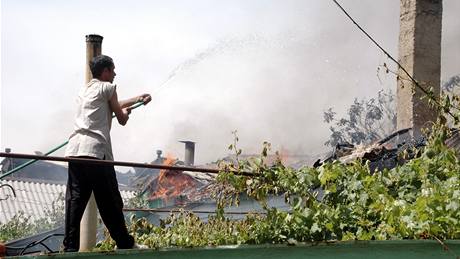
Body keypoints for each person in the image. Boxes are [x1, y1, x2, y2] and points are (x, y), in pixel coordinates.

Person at [63, 55, 151, 252]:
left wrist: (137, 98)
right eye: (112, 70)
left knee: (75, 200)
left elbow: (112, 103)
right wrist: (126, 113)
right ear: (105, 72)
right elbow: (121, 117)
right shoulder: (109, 88)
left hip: (75, 151)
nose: (115, 74)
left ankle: (69, 247)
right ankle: (124, 243)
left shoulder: (84, 90)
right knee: (110, 201)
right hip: (96, 153)